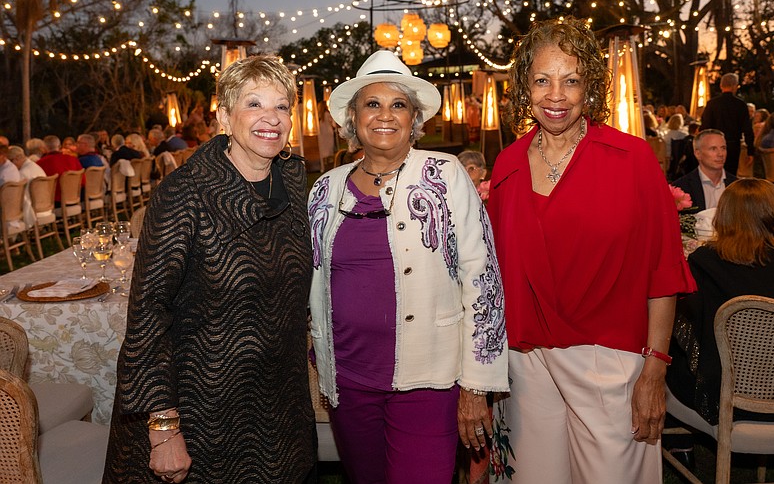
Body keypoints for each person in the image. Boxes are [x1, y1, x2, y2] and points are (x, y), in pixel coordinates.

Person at [487, 17, 695, 483]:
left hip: (610, 362)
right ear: (525, 87)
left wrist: (654, 371)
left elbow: (663, 270)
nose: (556, 95)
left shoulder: (632, 159)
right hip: (526, 362)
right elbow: (493, 276)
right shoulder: (507, 164)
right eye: (542, 80)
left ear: (591, 88)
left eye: (571, 80)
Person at [103, 55, 316, 483]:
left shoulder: (293, 182)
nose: (270, 118)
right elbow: (148, 314)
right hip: (202, 411)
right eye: (254, 104)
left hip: (280, 403)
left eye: (281, 106)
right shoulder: (186, 194)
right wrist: (164, 430)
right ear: (224, 116)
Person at [308, 50, 508, 483]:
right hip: (349, 380)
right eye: (372, 104)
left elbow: (483, 279)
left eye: (398, 104)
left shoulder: (446, 173)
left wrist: (477, 385)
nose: (385, 115)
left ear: (414, 118)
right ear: (353, 118)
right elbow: (313, 280)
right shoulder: (325, 188)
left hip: (429, 379)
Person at [667, 178, 774, 427]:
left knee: (667, 354)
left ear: (723, 216)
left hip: (732, 397)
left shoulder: (707, 262)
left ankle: (680, 446)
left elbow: (687, 327)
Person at [700, 73, 755, 176]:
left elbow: (705, 127)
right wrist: (750, 151)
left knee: (714, 175)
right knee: (730, 175)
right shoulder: (740, 105)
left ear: (721, 86)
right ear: (735, 86)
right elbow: (747, 129)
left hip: (714, 145)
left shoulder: (712, 104)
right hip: (732, 145)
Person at [673, 129, 738, 212]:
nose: (720, 154)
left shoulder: (736, 185)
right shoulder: (681, 188)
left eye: (723, 148)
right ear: (698, 154)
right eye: (713, 149)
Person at [36, 135, 84, 202]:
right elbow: (83, 181)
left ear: (44, 148)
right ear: (59, 146)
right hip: (75, 198)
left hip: (53, 201)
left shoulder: (40, 163)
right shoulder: (73, 159)